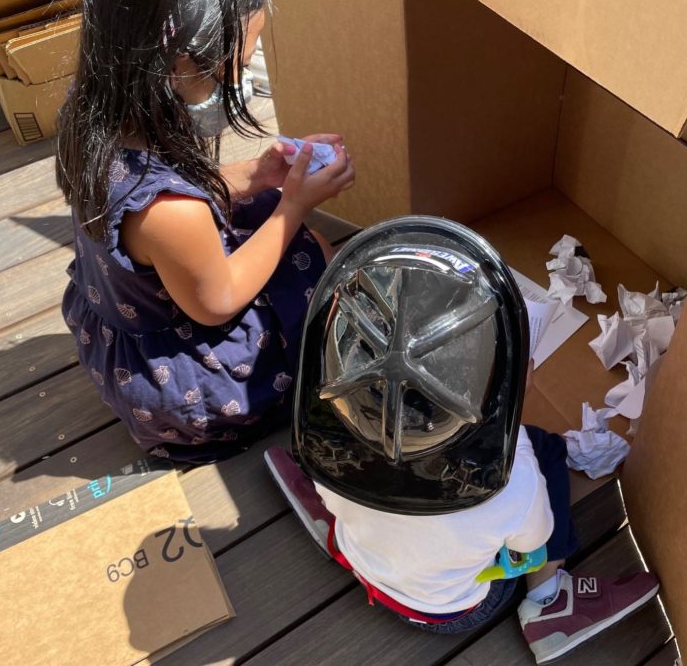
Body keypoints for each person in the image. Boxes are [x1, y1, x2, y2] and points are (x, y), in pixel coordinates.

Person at [266, 216, 659, 664]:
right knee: (548, 449)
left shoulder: (322, 441)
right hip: (453, 610)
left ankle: (338, 530)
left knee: (356, 504)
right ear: (515, 385)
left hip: (368, 566)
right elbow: (531, 544)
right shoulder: (513, 478)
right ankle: (550, 603)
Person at [56, 0, 355, 463]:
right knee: (313, 262)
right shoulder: (169, 209)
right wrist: (295, 206)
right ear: (177, 63)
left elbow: (170, 215)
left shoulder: (88, 109)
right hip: (185, 380)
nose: (239, 78)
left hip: (127, 310)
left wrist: (257, 176)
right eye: (234, 66)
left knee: (267, 206)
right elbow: (217, 303)